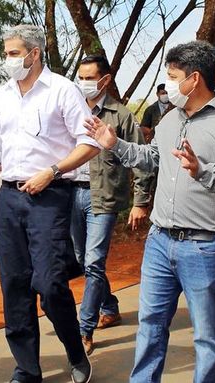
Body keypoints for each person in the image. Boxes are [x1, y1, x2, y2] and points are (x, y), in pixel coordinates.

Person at [86, 41, 215, 382]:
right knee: (150, 327)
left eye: (173, 76)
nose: (168, 83)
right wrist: (114, 144)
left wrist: (202, 170)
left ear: (194, 79)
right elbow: (152, 158)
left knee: (207, 336)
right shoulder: (169, 119)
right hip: (160, 243)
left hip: (204, 247)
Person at [0, 25, 99, 383]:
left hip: (50, 196)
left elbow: (89, 143)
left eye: (13, 53)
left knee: (51, 282)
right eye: (7, 53)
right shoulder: (0, 98)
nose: (8, 60)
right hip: (9, 198)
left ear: (34, 53)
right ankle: (26, 368)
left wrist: (53, 170)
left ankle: (75, 350)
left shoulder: (62, 91)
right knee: (14, 284)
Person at [73, 55, 152, 355]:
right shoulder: (71, 108)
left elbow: (142, 158)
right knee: (83, 259)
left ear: (104, 81)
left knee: (94, 263)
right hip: (71, 194)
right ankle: (110, 305)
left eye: (89, 77)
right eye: (79, 76)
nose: (83, 83)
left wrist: (140, 201)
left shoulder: (120, 115)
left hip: (103, 197)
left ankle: (84, 329)